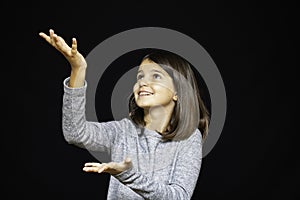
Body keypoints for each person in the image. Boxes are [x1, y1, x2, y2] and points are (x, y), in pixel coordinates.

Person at [39, 29, 210, 200]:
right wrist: (78, 69)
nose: (143, 82)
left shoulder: (188, 138)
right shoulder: (122, 131)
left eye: (156, 76)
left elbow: (179, 197)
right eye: (140, 76)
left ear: (177, 92)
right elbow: (75, 133)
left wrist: (128, 175)